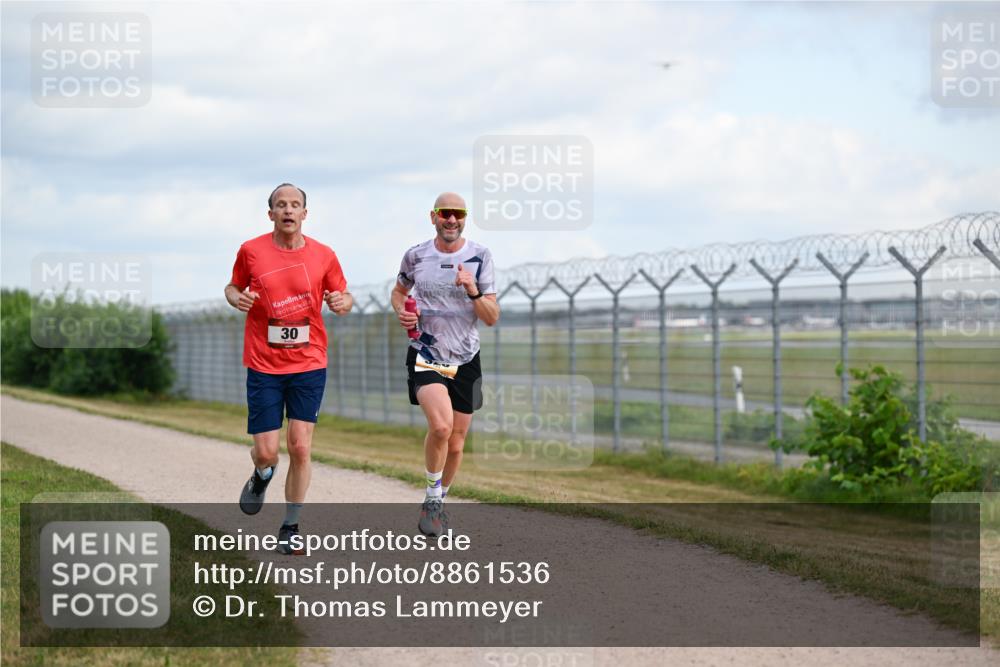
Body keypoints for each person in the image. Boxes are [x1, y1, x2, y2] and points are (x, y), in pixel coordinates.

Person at [225, 183, 352, 554]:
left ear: (304, 214)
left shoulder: (324, 255)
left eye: (295, 205)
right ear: (271, 214)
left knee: (299, 446)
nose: (288, 210)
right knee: (267, 451)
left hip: (309, 360)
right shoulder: (251, 251)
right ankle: (263, 473)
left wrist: (343, 300)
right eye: (281, 205)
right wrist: (238, 298)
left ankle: (291, 526)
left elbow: (343, 296)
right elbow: (232, 288)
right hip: (264, 363)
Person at [391, 192, 499, 537]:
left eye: (458, 213)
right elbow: (398, 292)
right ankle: (434, 499)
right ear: (433, 216)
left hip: (466, 357)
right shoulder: (416, 255)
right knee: (440, 427)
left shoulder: (480, 256)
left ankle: (436, 501)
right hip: (426, 353)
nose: (451, 219)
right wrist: (402, 309)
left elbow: (492, 317)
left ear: (464, 218)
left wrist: (472, 290)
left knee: (456, 442)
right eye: (445, 213)